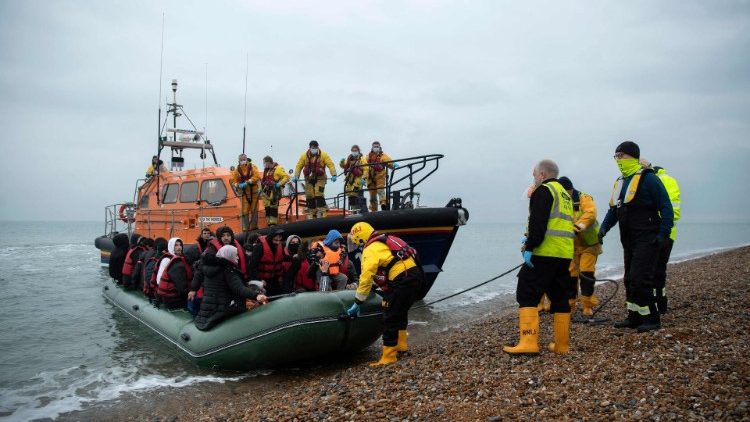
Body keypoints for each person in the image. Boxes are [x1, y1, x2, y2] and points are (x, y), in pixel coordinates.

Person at [599, 142, 673, 333]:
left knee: (641, 278)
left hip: (648, 237)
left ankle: (651, 318)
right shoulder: (620, 182)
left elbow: (666, 207)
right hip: (629, 239)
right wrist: (602, 230)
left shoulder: (649, 179)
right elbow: (613, 211)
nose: (618, 160)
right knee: (630, 278)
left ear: (632, 156)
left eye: (621, 156)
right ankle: (634, 316)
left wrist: (664, 234)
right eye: (615, 156)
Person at [504, 159, 575, 355]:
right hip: (563, 254)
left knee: (526, 292)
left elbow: (538, 222)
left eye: (534, 175)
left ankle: (528, 342)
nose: (533, 179)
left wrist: (530, 245)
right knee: (559, 297)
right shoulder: (565, 195)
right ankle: (562, 345)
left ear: (542, 175)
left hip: (545, 252)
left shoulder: (544, 191)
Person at [346, 222, 424, 366]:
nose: (356, 244)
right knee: (400, 311)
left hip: (403, 279)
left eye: (355, 240)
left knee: (390, 316)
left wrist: (358, 301)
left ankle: (389, 356)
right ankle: (401, 346)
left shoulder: (370, 250)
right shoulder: (385, 241)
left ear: (361, 238)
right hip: (414, 275)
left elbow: (366, 276)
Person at [190, 245, 269, 331]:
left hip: (208, 309)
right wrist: (256, 295)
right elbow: (239, 288)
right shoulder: (228, 271)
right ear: (229, 256)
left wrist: (193, 289)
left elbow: (197, 277)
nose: (238, 257)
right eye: (236, 255)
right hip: (223, 309)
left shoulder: (209, 268)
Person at [558, 176, 603, 317]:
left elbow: (591, 214)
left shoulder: (584, 198)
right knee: (570, 275)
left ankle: (587, 305)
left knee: (586, 273)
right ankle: (570, 304)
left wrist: (577, 227)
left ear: (569, 190)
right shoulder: (559, 202)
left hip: (589, 244)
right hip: (571, 246)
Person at [650, 164, 681, 314]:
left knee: (654, 270)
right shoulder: (670, 180)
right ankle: (661, 302)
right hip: (670, 233)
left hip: (660, 232)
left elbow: (669, 209)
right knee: (659, 269)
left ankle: (657, 304)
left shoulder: (657, 181)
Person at [293, 140, 337, 219]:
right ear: (310, 148)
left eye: (315, 147)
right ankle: (312, 212)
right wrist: (296, 175)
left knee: (318, 193)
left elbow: (330, 164)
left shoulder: (324, 155)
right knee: (309, 195)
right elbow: (299, 166)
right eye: (312, 147)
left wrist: (333, 174)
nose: (314, 149)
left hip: (320, 178)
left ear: (317, 147)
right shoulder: (304, 156)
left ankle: (323, 211)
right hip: (308, 179)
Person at [155, 238, 192, 309]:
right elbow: (159, 280)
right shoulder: (167, 260)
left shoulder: (179, 259)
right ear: (171, 246)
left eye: (180, 245)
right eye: (176, 245)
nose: (179, 247)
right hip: (170, 295)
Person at [249, 229, 286, 296]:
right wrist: (259, 279)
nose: (277, 242)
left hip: (275, 280)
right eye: (275, 240)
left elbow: (285, 258)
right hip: (263, 281)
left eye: (279, 240)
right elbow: (252, 266)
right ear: (270, 238)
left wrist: (294, 257)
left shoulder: (280, 246)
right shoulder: (259, 247)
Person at [230, 153, 261, 231]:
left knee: (254, 209)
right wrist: (238, 185)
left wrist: (248, 182)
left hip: (253, 192)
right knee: (244, 211)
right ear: (239, 160)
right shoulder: (236, 170)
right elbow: (233, 181)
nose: (243, 161)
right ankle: (245, 228)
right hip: (244, 194)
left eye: (244, 159)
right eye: (241, 160)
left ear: (247, 159)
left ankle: (254, 227)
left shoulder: (253, 167)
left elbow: (256, 176)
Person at [366, 141, 398, 212]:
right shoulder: (368, 156)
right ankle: (373, 210)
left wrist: (393, 165)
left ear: (380, 147)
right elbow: (364, 166)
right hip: (370, 178)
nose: (376, 148)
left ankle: (384, 204)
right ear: (372, 147)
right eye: (374, 146)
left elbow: (388, 161)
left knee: (380, 190)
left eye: (377, 146)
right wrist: (363, 177)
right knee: (372, 196)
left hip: (380, 176)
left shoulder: (383, 156)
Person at [260, 156, 290, 226]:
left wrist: (278, 184)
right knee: (267, 208)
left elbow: (286, 177)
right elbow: (264, 181)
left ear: (268, 162)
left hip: (274, 191)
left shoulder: (278, 168)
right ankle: (269, 223)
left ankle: (273, 224)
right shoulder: (267, 170)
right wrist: (261, 190)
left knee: (273, 208)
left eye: (264, 163)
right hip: (266, 192)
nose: (264, 164)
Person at [340, 145, 369, 214]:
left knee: (355, 195)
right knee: (350, 196)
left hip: (358, 179)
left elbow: (366, 169)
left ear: (358, 151)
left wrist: (364, 178)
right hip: (349, 179)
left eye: (355, 151)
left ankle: (359, 211)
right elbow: (345, 166)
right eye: (353, 151)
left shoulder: (362, 159)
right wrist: (341, 163)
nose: (354, 152)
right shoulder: (349, 158)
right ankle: (354, 211)